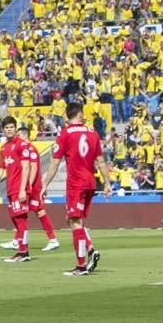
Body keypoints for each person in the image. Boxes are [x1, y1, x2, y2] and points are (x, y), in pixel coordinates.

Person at [42, 102, 112, 276]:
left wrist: (44, 185)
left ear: (67, 116)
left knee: (75, 222)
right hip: (90, 183)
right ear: (80, 114)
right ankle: (90, 250)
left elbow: (55, 162)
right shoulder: (92, 133)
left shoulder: (65, 134)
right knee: (72, 219)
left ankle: (81, 266)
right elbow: (101, 161)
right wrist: (108, 183)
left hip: (75, 184)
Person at [1, 125, 59, 252]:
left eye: (19, 135)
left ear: (25, 135)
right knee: (21, 211)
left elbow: (32, 168)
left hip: (32, 186)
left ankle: (52, 239)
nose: (17, 137)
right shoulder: (22, 148)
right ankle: (18, 240)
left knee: (37, 212)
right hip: (27, 185)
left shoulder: (30, 149)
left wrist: (30, 185)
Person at [0, 116, 33, 262]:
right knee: (15, 219)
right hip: (11, 189)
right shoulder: (4, 148)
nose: (9, 130)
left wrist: (23, 189)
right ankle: (23, 250)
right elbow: (0, 169)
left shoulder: (21, 145)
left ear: (15, 128)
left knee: (21, 218)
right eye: (6, 128)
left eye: (12, 127)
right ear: (3, 130)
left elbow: (26, 167)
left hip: (20, 188)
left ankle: (23, 252)